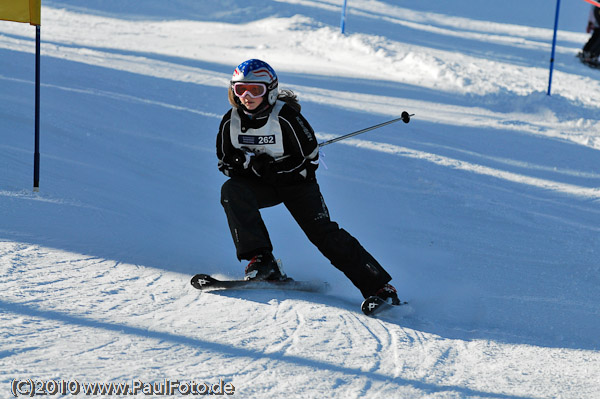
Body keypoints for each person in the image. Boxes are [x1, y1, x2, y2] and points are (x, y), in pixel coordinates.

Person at [216, 59, 400, 304]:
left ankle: (380, 288)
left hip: (298, 186)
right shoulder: (232, 121)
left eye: (255, 90)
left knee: (323, 234)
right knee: (232, 191)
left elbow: (310, 160)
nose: (247, 96)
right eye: (240, 90)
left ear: (270, 91)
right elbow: (224, 162)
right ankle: (262, 262)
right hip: (261, 187)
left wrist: (276, 169)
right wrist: (246, 164)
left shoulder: (286, 117)